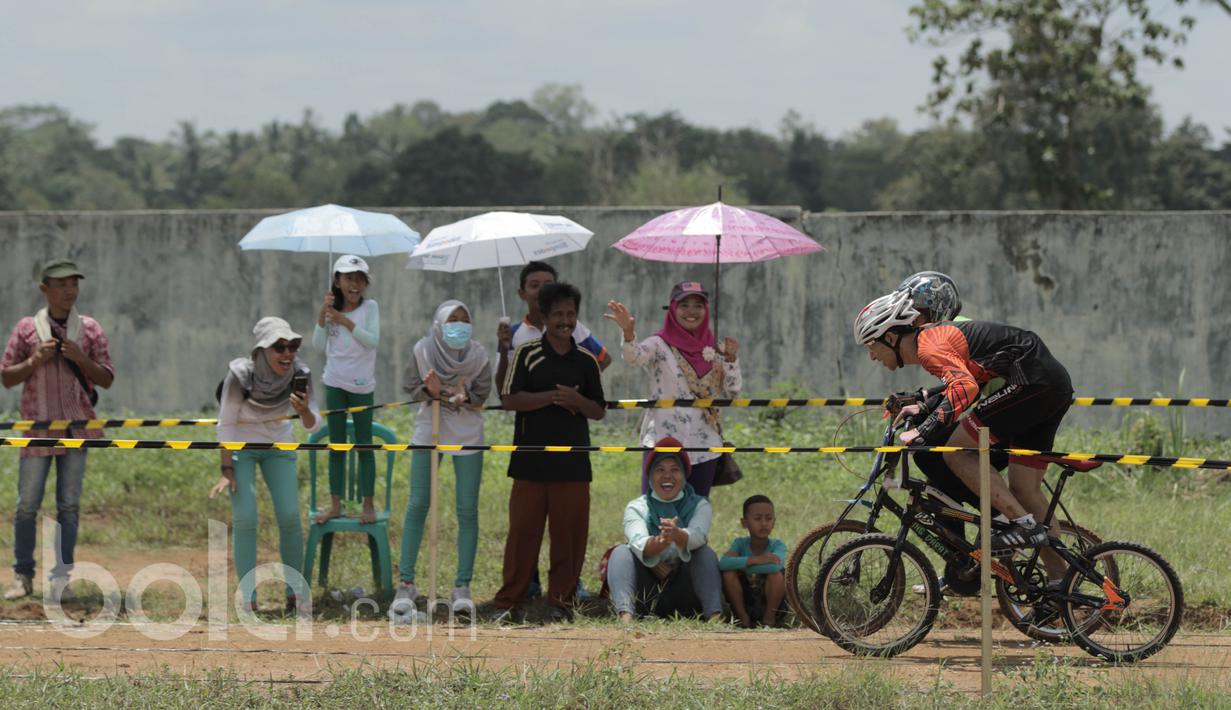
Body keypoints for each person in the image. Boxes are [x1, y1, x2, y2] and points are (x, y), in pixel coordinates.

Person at [853, 290, 1074, 553]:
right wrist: (924, 405)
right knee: (1026, 490)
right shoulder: (932, 340)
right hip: (1051, 384)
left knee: (959, 453)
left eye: (871, 346)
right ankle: (1060, 582)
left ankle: (1021, 524)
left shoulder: (929, 348)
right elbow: (966, 382)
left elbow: (965, 388)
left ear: (890, 338)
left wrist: (924, 430)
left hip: (1032, 382)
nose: (872, 357)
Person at [495, 261, 612, 601]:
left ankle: (561, 600)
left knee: (569, 537)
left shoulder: (586, 361)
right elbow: (508, 399)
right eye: (558, 314)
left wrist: (577, 400)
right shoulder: (526, 354)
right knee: (522, 536)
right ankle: (511, 600)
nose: (564, 321)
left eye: (570, 314)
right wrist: (550, 398)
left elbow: (599, 411)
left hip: (574, 464)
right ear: (543, 316)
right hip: (529, 462)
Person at [1, 259, 114, 602]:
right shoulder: (26, 329)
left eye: (74, 284)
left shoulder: (89, 329)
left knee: (69, 506)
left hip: (77, 428)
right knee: (26, 505)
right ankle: (23, 576)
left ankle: (60, 578)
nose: (69, 291)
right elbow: (6, 376)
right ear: (44, 289)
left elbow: (107, 378)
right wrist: (34, 361)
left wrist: (80, 358)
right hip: (36, 427)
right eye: (61, 284)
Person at [210, 317, 321, 614]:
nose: (288, 353)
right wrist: (227, 470)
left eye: (293, 346)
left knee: (289, 516)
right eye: (279, 347)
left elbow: (313, 426)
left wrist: (303, 411)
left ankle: (295, 594)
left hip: (279, 446)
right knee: (246, 517)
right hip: (242, 448)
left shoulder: (301, 373)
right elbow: (226, 425)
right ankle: (248, 597)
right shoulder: (240, 375)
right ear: (261, 350)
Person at [396, 300, 492, 617]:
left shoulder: (479, 356)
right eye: (453, 319)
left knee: (467, 508)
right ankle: (406, 584)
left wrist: (463, 396)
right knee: (418, 503)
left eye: (465, 319)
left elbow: (482, 393)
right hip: (430, 431)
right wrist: (432, 391)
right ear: (439, 324)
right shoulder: (423, 350)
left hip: (467, 434)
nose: (460, 325)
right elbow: (411, 387)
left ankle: (462, 586)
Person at [604, 282, 741, 496]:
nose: (691, 311)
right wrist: (629, 332)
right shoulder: (659, 344)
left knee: (696, 509)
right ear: (672, 308)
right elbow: (635, 358)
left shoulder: (716, 349)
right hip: (663, 441)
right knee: (655, 508)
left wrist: (731, 360)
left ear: (706, 311)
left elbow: (731, 392)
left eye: (698, 305)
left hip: (704, 445)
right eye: (684, 304)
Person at [607, 438, 722, 623]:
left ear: (685, 475)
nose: (667, 476)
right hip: (647, 592)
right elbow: (639, 543)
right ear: (650, 476)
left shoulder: (700, 505)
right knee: (620, 552)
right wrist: (662, 542)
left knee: (705, 553)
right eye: (660, 470)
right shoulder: (637, 507)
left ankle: (714, 618)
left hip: (685, 592)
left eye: (675, 470)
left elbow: (698, 537)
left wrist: (678, 535)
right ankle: (626, 619)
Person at [312, 255, 381, 525]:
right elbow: (318, 347)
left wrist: (344, 321)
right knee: (337, 446)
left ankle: (368, 505)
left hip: (362, 386)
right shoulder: (329, 312)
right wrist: (323, 316)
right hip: (335, 384)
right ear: (337, 282)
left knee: (365, 446)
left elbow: (372, 341)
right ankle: (336, 505)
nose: (355, 284)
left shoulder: (370, 307)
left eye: (360, 279)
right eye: (349, 278)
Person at [719, 495, 788, 628]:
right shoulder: (739, 544)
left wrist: (743, 566)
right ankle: (742, 618)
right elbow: (723, 563)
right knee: (729, 574)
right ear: (744, 523)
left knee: (777, 575)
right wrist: (757, 560)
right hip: (745, 600)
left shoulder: (778, 545)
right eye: (757, 518)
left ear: (774, 522)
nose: (763, 523)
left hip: (769, 602)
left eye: (768, 518)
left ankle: (769, 619)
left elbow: (775, 567)